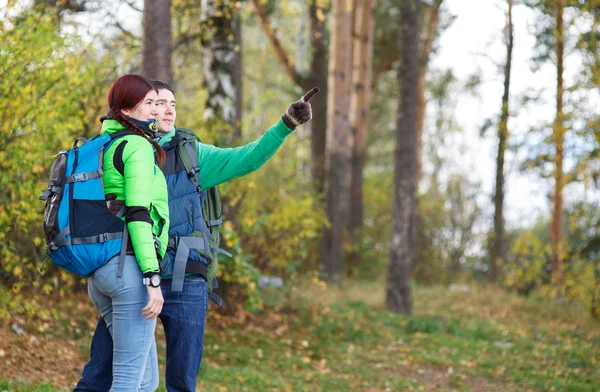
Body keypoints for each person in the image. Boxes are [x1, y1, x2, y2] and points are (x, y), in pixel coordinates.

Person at [74, 81, 319, 392]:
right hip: (133, 273)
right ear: (139, 108)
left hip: (186, 276)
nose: (166, 110)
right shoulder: (123, 147)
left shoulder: (194, 155)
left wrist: (286, 124)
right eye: (157, 102)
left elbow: (249, 158)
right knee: (101, 374)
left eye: (172, 104)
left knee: (180, 382)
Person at [83, 74, 169, 391]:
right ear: (128, 111)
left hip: (101, 270)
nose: (155, 111)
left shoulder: (103, 143)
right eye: (148, 104)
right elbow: (138, 213)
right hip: (128, 269)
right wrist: (152, 278)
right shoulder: (135, 146)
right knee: (128, 381)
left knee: (147, 381)